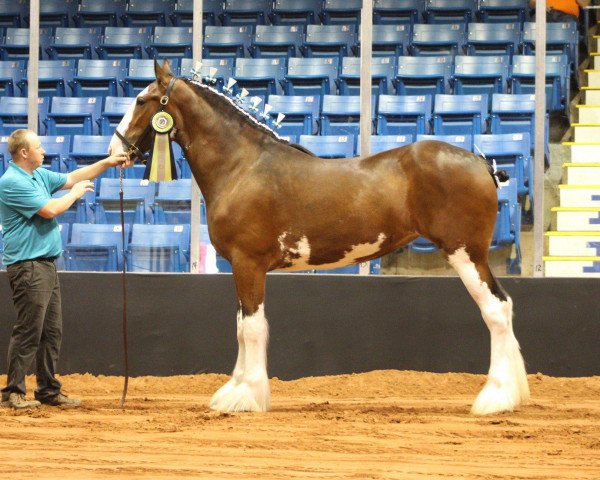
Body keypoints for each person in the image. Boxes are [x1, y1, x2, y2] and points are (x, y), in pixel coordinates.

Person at [0, 129, 130, 409]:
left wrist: (108, 162)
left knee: (51, 331)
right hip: (28, 265)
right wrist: (74, 194)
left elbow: (73, 177)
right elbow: (50, 210)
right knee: (29, 330)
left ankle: (48, 390)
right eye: (38, 146)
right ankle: (13, 392)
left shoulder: (38, 175)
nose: (43, 150)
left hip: (44, 264)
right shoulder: (12, 182)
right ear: (24, 153)